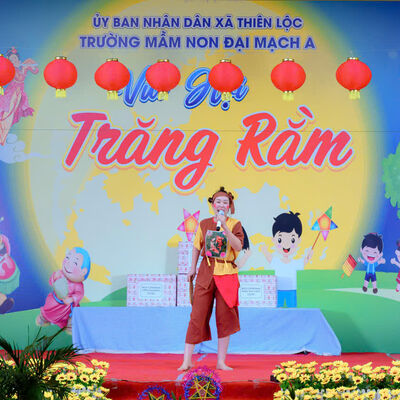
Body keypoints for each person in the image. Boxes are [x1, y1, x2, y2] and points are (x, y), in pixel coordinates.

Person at [178, 187, 244, 371]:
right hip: (206, 272)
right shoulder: (204, 223)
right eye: (218, 202)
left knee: (225, 318)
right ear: (213, 205)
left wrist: (225, 227)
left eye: (225, 202)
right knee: (197, 315)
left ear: (229, 206)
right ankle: (187, 360)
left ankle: (221, 361)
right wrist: (192, 268)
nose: (221, 205)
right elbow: (196, 246)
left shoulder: (235, 224)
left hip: (227, 274)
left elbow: (238, 246)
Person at [261, 211, 313, 308]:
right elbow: (269, 257)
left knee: (292, 309)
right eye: (280, 240)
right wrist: (264, 251)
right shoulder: (276, 262)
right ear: (273, 240)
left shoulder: (296, 263)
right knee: (277, 309)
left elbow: (305, 261)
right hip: (278, 290)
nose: (286, 244)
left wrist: (309, 255)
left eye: (292, 240)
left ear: (298, 240)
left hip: (292, 290)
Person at [36, 247, 91, 334]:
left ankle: (70, 325)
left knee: (73, 314)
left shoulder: (78, 285)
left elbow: (79, 294)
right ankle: (44, 318)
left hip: (67, 307)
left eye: (75, 263)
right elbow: (51, 282)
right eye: (68, 258)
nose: (68, 263)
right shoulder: (60, 274)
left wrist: (72, 299)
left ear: (83, 272)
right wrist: (55, 277)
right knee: (48, 308)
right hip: (55, 300)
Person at [0, 47, 38, 145]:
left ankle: (2, 137)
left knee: (11, 116)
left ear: (18, 59)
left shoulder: (21, 67)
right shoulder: (11, 70)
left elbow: (36, 71)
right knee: (7, 115)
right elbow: (19, 78)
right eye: (11, 59)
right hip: (11, 94)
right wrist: (24, 68)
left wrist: (31, 64)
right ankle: (2, 137)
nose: (14, 60)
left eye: (15, 58)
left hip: (18, 95)